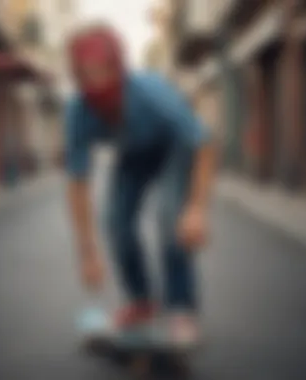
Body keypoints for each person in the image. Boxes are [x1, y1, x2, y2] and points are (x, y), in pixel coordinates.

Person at [65, 23, 216, 345]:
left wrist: (197, 209)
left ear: (118, 66)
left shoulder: (150, 92)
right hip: (132, 153)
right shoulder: (78, 110)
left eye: (103, 70)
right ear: (76, 74)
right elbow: (78, 183)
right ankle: (142, 302)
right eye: (86, 73)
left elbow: (204, 143)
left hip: (174, 149)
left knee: (169, 218)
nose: (96, 81)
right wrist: (87, 253)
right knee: (116, 223)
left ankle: (180, 308)